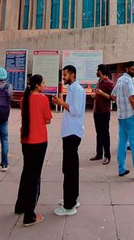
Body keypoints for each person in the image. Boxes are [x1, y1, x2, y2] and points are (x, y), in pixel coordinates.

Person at [14, 74, 52, 227]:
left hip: (26, 140)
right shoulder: (43, 99)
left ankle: (20, 205)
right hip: (39, 140)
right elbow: (48, 119)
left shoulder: (24, 99)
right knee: (34, 177)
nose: (44, 84)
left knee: (27, 172)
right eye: (43, 82)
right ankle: (29, 215)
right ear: (37, 85)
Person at [51, 65, 86, 216]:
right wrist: (62, 103)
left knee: (69, 169)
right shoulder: (72, 89)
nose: (63, 78)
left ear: (72, 74)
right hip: (69, 132)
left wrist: (61, 103)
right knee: (70, 168)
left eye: (65, 75)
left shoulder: (77, 90)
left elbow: (76, 110)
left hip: (73, 133)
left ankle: (69, 205)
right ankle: (72, 198)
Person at [90, 64, 115, 165]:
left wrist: (101, 93)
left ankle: (107, 156)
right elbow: (98, 94)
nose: (96, 72)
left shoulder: (109, 83)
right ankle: (99, 153)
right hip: (97, 111)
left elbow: (113, 97)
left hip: (105, 112)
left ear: (100, 71)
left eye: (97, 70)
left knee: (105, 133)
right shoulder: (99, 82)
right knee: (99, 133)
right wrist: (95, 95)